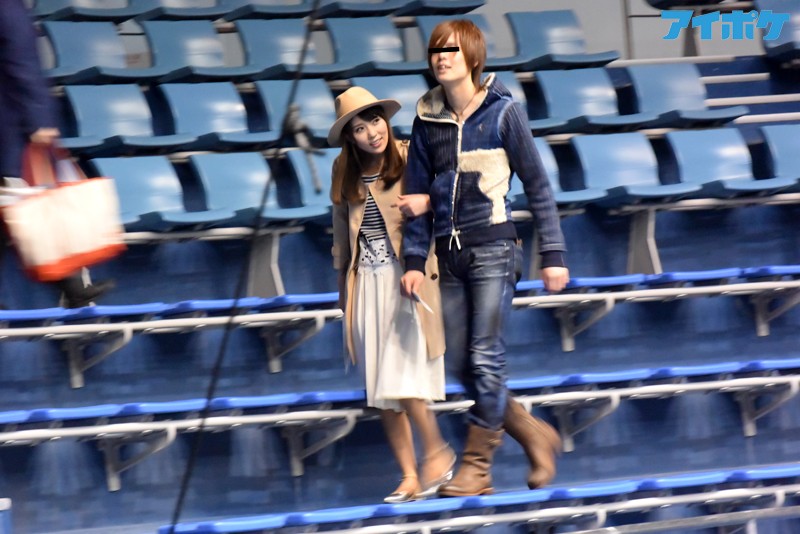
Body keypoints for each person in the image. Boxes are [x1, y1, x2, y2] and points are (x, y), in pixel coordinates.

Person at [399, 19, 570, 497]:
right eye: (435, 50)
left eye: (451, 49)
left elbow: (537, 184)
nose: (441, 57)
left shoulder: (504, 113)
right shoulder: (426, 119)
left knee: (484, 356)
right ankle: (534, 433)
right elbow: (413, 196)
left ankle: (478, 466)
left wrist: (553, 252)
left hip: (495, 246)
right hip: (449, 253)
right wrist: (414, 260)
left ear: (472, 55)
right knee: (460, 364)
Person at [328, 86, 456, 503]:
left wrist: (426, 205)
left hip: (407, 276)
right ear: (350, 138)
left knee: (402, 376)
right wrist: (343, 293)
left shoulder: (408, 154)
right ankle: (409, 476)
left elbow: (446, 197)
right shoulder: (342, 170)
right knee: (381, 389)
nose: (372, 133)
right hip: (365, 283)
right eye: (359, 128)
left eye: (375, 121)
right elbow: (341, 237)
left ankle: (436, 451)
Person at [0, 0, 113, 308]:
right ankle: (73, 287)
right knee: (25, 202)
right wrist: (39, 119)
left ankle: (73, 286)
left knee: (16, 204)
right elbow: (22, 66)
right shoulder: (8, 9)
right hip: (12, 124)